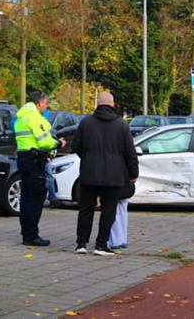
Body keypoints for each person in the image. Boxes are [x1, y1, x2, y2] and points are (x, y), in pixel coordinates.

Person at [73, 92, 138, 256]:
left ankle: (81, 244)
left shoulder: (86, 122)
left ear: (97, 104)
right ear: (113, 105)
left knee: (86, 209)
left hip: (89, 172)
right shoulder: (121, 125)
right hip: (113, 174)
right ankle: (101, 245)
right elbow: (130, 152)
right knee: (108, 210)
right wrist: (133, 173)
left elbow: (76, 146)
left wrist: (87, 158)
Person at [14, 91, 66, 246]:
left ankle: (26, 232)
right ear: (39, 103)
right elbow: (44, 141)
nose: (46, 106)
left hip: (24, 157)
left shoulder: (21, 116)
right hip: (34, 160)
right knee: (36, 197)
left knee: (27, 197)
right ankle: (31, 235)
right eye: (46, 103)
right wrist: (57, 143)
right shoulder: (34, 117)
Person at [107, 166, 136, 250]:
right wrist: (134, 174)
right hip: (125, 174)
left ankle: (114, 241)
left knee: (113, 209)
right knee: (122, 208)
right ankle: (121, 239)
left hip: (112, 175)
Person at [42, 109, 61, 208]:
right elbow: (49, 144)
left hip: (40, 156)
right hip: (45, 157)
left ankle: (48, 197)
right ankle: (52, 198)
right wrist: (50, 156)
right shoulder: (47, 128)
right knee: (49, 177)